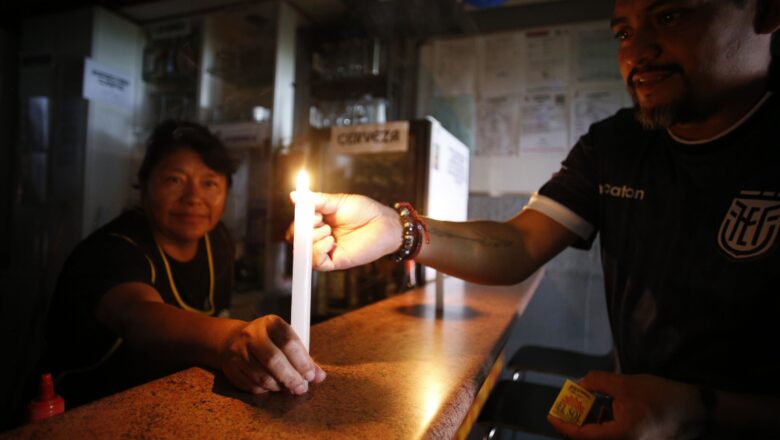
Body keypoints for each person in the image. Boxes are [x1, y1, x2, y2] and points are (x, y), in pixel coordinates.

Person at [295, 0, 780, 438]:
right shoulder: (616, 145)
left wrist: (700, 408)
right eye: (623, 33)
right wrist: (398, 229)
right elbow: (519, 244)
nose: (639, 52)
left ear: (766, 11)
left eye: (671, 15)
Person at [44, 120, 325, 407]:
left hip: (173, 405)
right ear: (144, 185)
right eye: (174, 180)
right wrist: (228, 338)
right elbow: (137, 315)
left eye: (209, 183)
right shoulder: (111, 250)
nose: (193, 198)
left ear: (226, 192)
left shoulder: (217, 241)